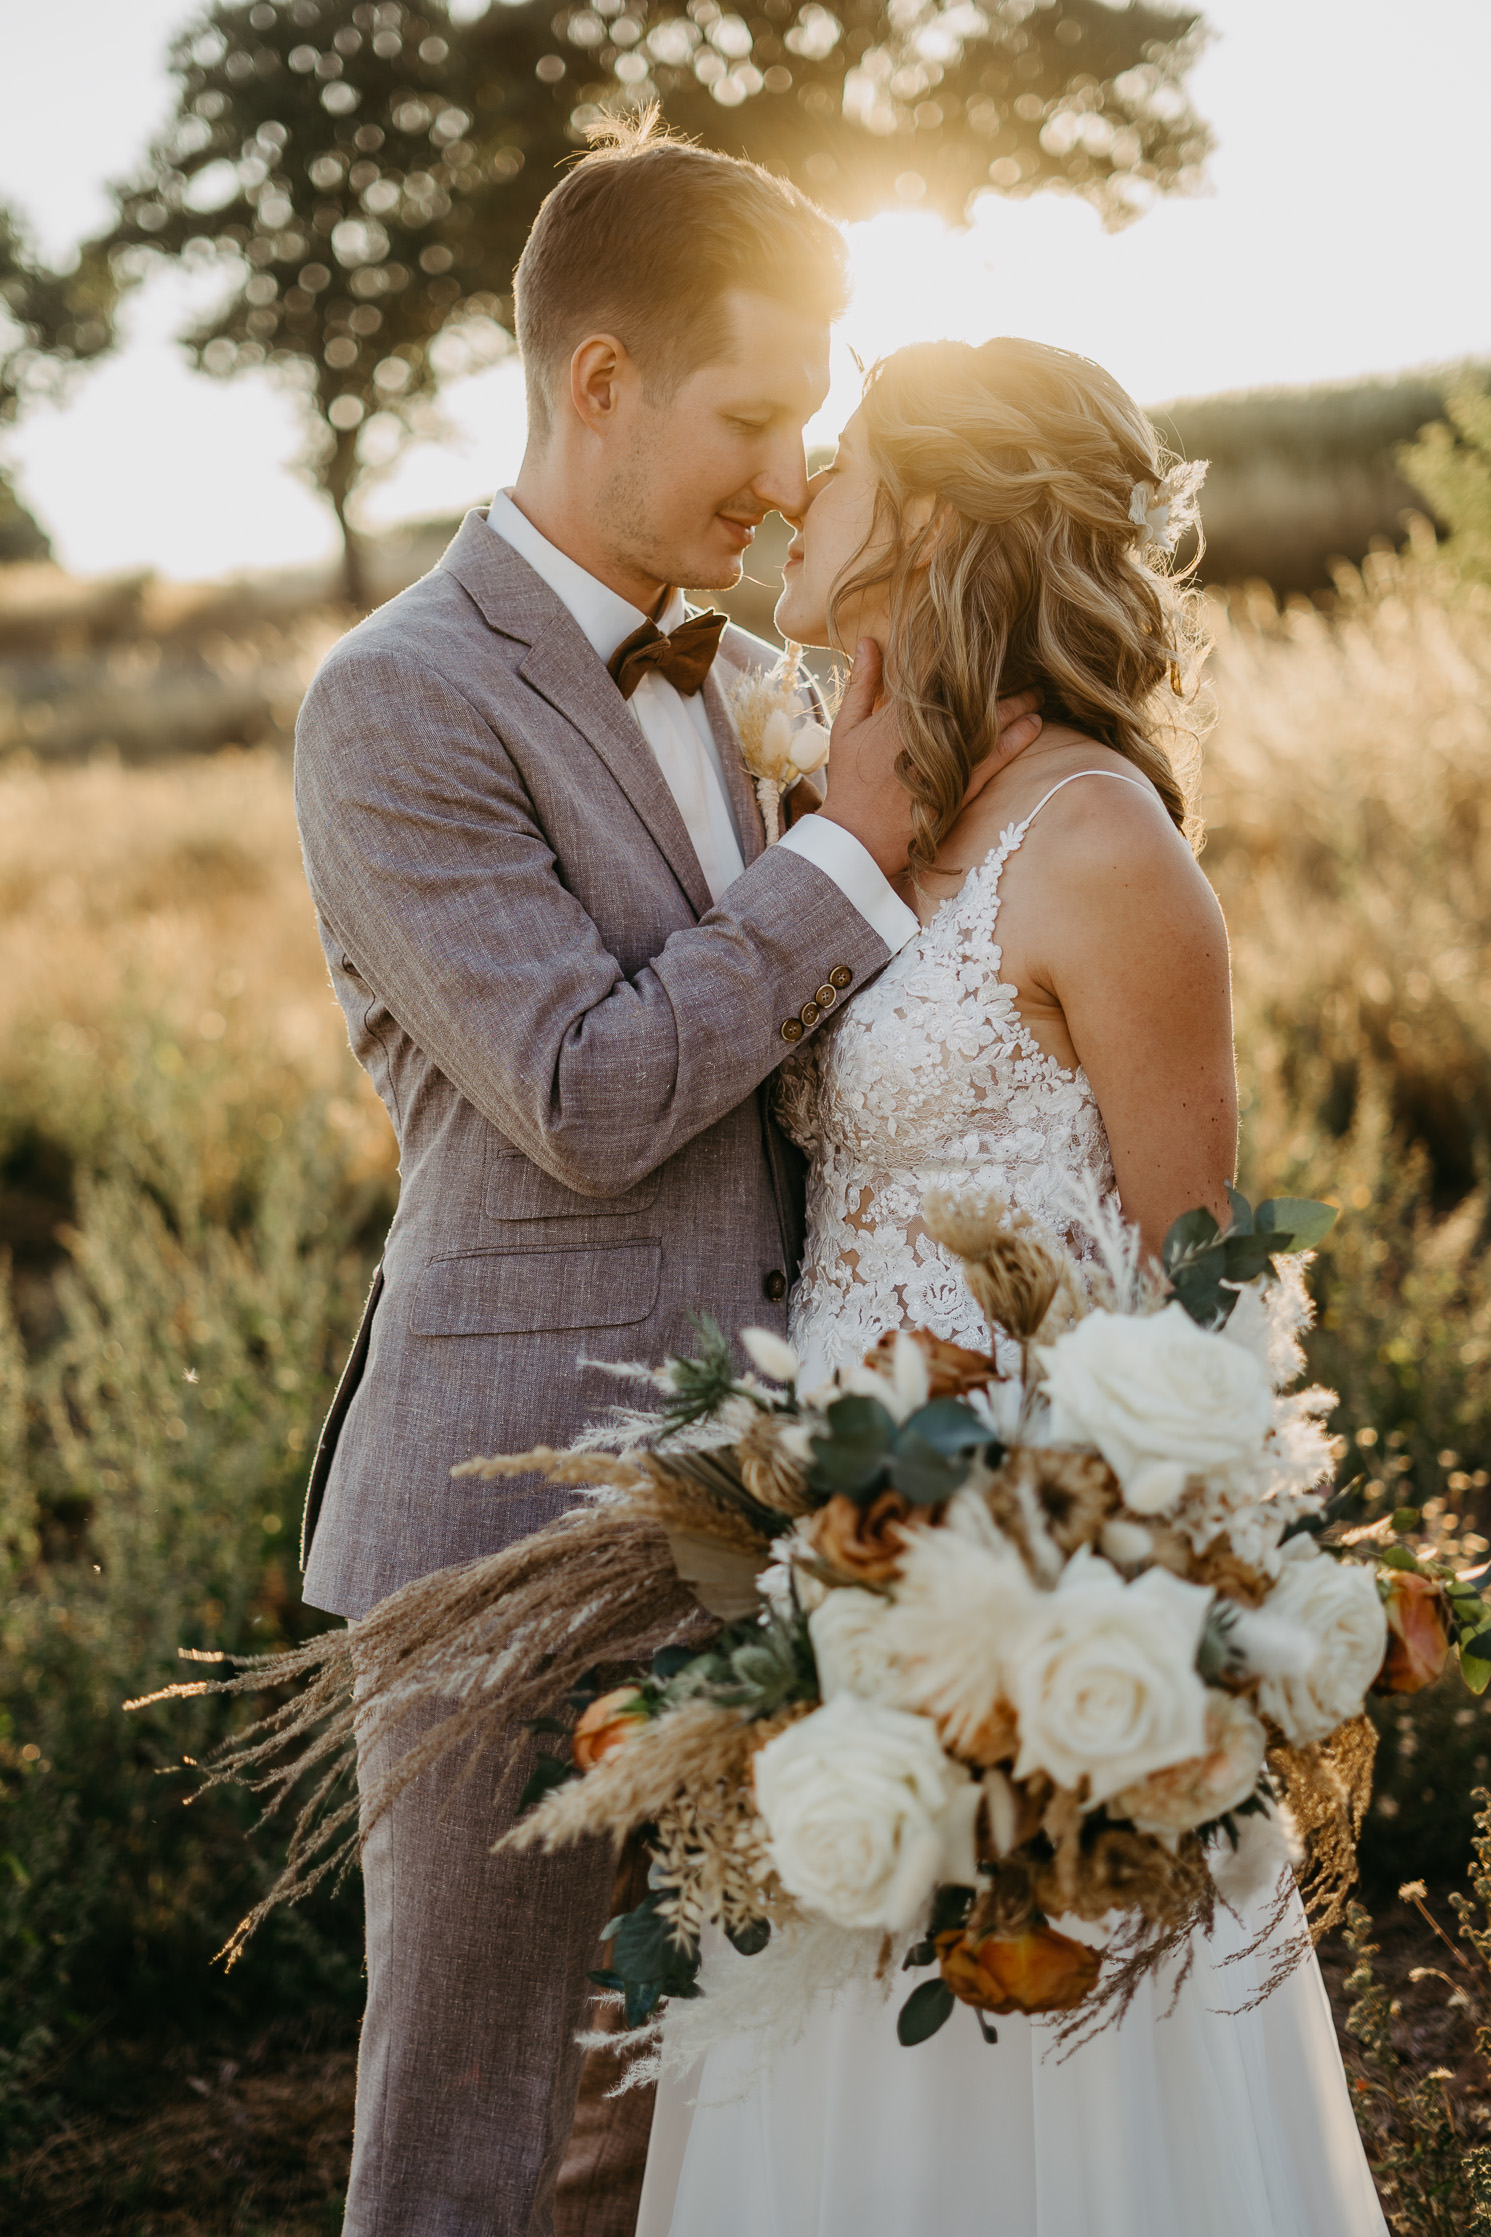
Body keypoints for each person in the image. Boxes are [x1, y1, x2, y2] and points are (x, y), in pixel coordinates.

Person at [291, 123, 1043, 2235]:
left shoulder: (744, 681)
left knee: (691, 2122)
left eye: (810, 421)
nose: (793, 475)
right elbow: (589, 1089)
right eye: (752, 415)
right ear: (600, 381)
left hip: (775, 1518)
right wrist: (849, 850)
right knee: (473, 2133)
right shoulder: (396, 702)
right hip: (498, 1525)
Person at [635, 339, 1388, 2236]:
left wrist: (1090, 1662)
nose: (796, 484)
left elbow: (1199, 1307)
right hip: (837, 1580)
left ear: (941, 510)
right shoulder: (864, 800)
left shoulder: (1101, 842)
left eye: (841, 453)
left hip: (1033, 1612)